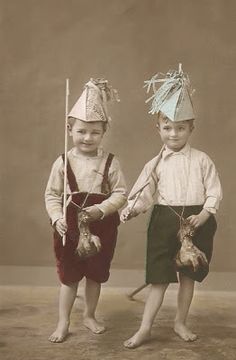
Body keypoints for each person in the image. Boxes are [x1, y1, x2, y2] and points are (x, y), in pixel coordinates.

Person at [120, 65, 222, 349]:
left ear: (191, 128)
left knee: (187, 275)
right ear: (158, 128)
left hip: (196, 219)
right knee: (158, 279)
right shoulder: (154, 164)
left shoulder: (202, 160)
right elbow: (143, 194)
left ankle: (180, 321)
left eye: (180, 128)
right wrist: (133, 209)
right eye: (167, 127)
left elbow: (214, 192)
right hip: (165, 220)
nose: (173, 134)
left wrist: (203, 215)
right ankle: (145, 328)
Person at [45, 78, 127, 343]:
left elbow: (121, 194)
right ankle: (63, 321)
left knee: (95, 274)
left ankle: (89, 315)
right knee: (69, 277)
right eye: (81, 131)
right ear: (70, 129)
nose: (87, 137)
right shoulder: (62, 162)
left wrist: (102, 210)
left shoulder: (110, 162)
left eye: (94, 132)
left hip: (101, 227)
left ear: (104, 132)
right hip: (69, 227)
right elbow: (52, 195)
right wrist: (57, 217)